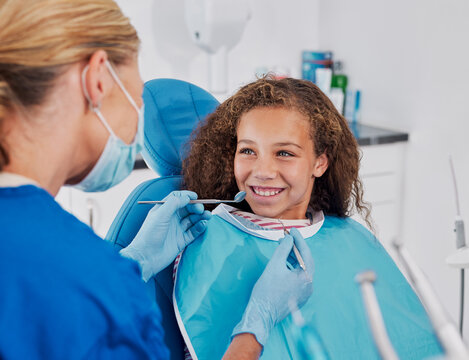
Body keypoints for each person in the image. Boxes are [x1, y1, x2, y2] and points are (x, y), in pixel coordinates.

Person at [0, 1, 313, 359]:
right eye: (137, 100)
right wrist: (256, 327)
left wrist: (131, 266)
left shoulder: (75, 276)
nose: (138, 125)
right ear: (97, 79)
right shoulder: (83, 282)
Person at [175, 77, 445, 359]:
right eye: (247, 151)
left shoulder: (350, 237)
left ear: (320, 162)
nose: (263, 170)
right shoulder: (206, 242)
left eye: (284, 153)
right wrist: (260, 318)